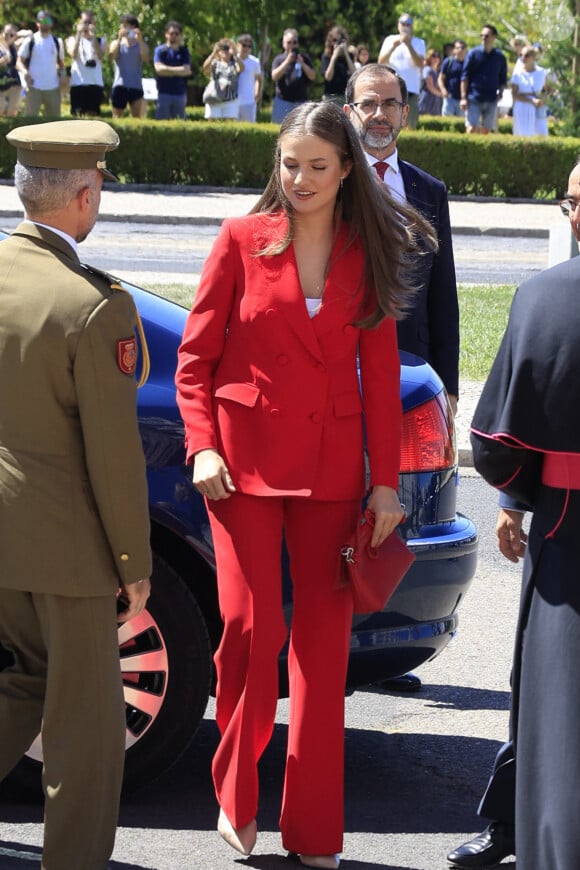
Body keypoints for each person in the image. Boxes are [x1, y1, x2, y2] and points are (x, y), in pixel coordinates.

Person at [175, 100, 436, 870]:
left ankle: (316, 833)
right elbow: (193, 362)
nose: (300, 179)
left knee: (322, 662)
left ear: (347, 169)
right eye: (290, 165)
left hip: (332, 479)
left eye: (318, 167)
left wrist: (385, 488)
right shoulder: (238, 240)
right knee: (253, 634)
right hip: (242, 472)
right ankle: (234, 791)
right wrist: (201, 448)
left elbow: (383, 378)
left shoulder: (368, 252)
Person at [0, 119, 152, 870]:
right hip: (67, 552)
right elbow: (114, 457)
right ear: (85, 195)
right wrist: (133, 562)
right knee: (87, 736)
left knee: (22, 681)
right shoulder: (95, 306)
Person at [447, 161, 580, 869]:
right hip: (557, 514)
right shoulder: (547, 294)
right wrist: (511, 500)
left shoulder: (544, 295)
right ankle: (512, 825)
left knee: (556, 690)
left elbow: (498, 438)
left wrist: (518, 488)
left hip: (565, 522)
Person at [344, 63, 459, 411]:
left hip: (411, 365)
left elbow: (442, 294)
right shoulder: (330, 182)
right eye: (368, 104)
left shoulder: (429, 191)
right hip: (342, 363)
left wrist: (448, 387)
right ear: (349, 113)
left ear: (405, 113)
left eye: (390, 104)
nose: (379, 114)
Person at [378, 13, 425, 129]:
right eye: (402, 23)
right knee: (390, 124)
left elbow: (420, 63)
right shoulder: (390, 40)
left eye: (408, 24)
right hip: (391, 88)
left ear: (412, 26)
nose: (405, 26)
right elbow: (381, 61)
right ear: (398, 25)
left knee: (410, 126)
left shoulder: (419, 42)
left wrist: (409, 46)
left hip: (411, 91)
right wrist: (394, 47)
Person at [16, 10, 65, 117]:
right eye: (42, 21)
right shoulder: (31, 40)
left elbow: (61, 63)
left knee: (54, 122)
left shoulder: (57, 42)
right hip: (34, 87)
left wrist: (62, 75)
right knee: (30, 121)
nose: (45, 23)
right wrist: (25, 72)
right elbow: (19, 61)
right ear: (37, 23)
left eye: (47, 20)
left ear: (51, 23)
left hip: (52, 87)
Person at [460, 24, 507, 133]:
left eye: (486, 36)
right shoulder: (473, 54)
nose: (483, 38)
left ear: (494, 37)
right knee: (472, 128)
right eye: (482, 36)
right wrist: (463, 97)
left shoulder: (499, 57)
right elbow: (464, 77)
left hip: (491, 99)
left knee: (486, 130)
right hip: (474, 97)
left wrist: (501, 92)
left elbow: (502, 78)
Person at [270, 28, 316, 124]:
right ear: (283, 44)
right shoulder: (279, 59)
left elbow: (313, 76)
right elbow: (274, 76)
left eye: (294, 42)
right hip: (282, 102)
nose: (292, 45)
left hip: (300, 102)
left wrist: (302, 64)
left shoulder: (304, 58)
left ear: (297, 44)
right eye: (289, 42)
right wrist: (287, 61)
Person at [66, 9, 106, 117]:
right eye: (85, 22)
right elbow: (73, 54)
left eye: (90, 22)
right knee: (77, 115)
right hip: (78, 83)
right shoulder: (72, 39)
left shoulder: (100, 40)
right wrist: (79, 34)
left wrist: (93, 37)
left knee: (93, 117)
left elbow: (101, 56)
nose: (87, 25)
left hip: (95, 83)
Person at [109, 14, 150, 119]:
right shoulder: (116, 43)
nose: (124, 29)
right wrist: (119, 39)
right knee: (117, 117)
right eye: (122, 27)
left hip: (136, 86)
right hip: (119, 85)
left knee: (137, 118)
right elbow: (111, 57)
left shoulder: (142, 45)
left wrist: (139, 41)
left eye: (127, 27)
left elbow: (146, 59)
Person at [153, 20, 191, 120]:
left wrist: (167, 70)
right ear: (166, 34)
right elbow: (159, 69)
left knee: (180, 125)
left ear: (180, 35)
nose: (174, 36)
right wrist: (179, 71)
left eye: (176, 34)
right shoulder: (160, 50)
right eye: (171, 33)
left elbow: (187, 70)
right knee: (162, 125)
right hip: (163, 93)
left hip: (180, 94)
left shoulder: (184, 51)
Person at [202, 38, 243, 121]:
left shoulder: (234, 64)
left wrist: (235, 54)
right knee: (211, 126)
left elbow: (241, 68)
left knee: (229, 127)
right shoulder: (214, 63)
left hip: (230, 99)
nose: (225, 51)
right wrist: (214, 53)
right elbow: (205, 70)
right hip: (214, 98)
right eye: (223, 48)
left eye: (227, 48)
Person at [510, 46, 548, 136]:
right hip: (523, 107)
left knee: (541, 135)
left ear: (534, 57)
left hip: (538, 107)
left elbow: (548, 89)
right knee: (524, 135)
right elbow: (514, 94)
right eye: (521, 55)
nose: (523, 58)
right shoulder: (517, 74)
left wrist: (544, 98)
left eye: (526, 55)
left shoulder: (541, 72)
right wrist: (531, 100)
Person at [320, 26, 355, 106]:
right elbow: (328, 77)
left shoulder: (349, 56)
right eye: (335, 40)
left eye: (340, 40)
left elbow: (354, 73)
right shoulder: (326, 56)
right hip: (330, 97)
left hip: (345, 97)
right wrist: (334, 56)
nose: (337, 43)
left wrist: (346, 54)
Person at [235, 33, 262, 122]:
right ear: (237, 45)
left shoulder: (255, 61)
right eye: (244, 45)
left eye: (249, 46)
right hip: (233, 101)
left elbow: (258, 79)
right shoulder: (232, 60)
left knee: (249, 129)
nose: (246, 48)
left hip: (249, 101)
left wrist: (257, 92)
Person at [439, 39, 467, 117]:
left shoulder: (468, 63)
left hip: (463, 99)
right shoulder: (448, 62)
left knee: (461, 123)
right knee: (447, 120)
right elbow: (440, 78)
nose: (461, 50)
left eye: (463, 47)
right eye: (458, 48)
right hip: (449, 97)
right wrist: (443, 89)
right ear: (454, 50)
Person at [0, 23, 21, 116]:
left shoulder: (14, 47)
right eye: (6, 33)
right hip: (1, 85)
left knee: (12, 113)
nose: (8, 37)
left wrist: (17, 35)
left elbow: (30, 33)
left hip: (14, 84)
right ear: (1, 33)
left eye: (11, 35)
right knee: (1, 108)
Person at [418, 48, 443, 116]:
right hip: (426, 98)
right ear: (429, 57)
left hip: (434, 99)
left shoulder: (436, 71)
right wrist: (441, 94)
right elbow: (430, 86)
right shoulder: (428, 69)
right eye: (433, 56)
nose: (436, 58)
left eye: (438, 56)